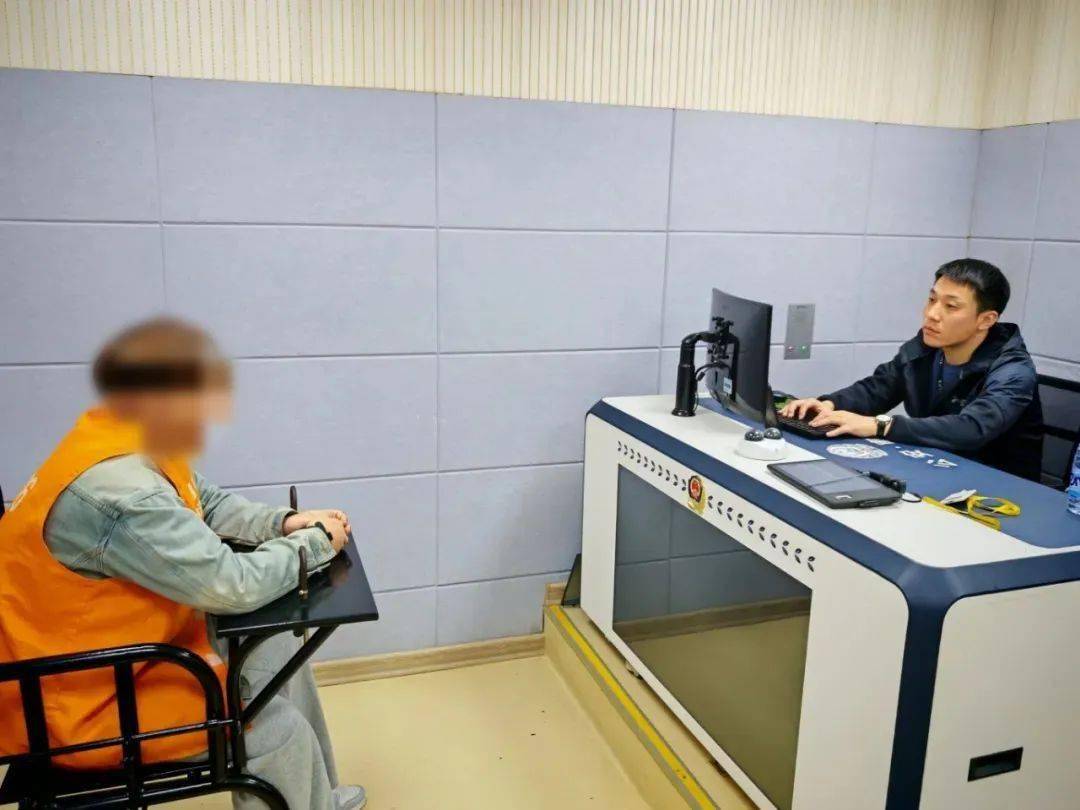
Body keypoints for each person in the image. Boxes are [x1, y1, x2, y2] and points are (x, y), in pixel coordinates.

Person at [0, 318, 366, 810]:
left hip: (114, 654)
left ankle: (318, 799)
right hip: (77, 699)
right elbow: (229, 585)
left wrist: (283, 523)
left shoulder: (120, 431)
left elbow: (202, 500)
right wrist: (315, 544)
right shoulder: (123, 494)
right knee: (276, 733)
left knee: (279, 646)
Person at [780, 259, 1043, 480]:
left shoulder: (1013, 371)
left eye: (950, 306)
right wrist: (828, 405)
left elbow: (972, 429)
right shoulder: (927, 347)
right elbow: (878, 388)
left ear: (986, 320)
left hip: (997, 491)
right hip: (935, 468)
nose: (932, 314)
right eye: (932, 299)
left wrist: (881, 426)